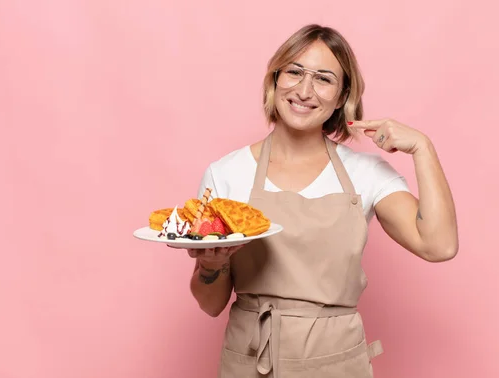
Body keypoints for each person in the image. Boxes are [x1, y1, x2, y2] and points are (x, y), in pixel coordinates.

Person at [185, 24, 458, 378]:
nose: (304, 90)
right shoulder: (227, 173)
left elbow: (439, 245)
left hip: (337, 364)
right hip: (250, 362)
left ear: (342, 95)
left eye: (323, 79)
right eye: (295, 72)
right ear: (275, 80)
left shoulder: (366, 173)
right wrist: (211, 266)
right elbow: (210, 304)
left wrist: (423, 148)